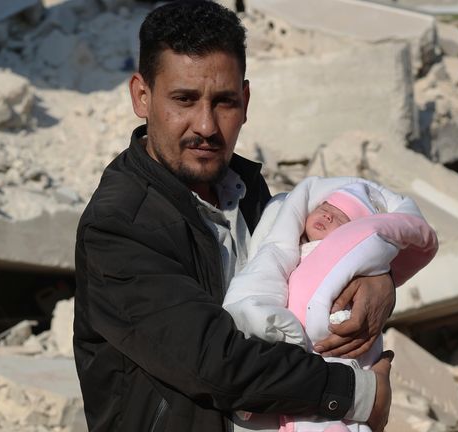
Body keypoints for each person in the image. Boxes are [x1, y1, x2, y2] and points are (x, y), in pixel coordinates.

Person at [73, 2, 397, 431]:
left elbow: (315, 262)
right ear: (142, 96)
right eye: (184, 100)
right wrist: (359, 394)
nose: (206, 125)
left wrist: (377, 278)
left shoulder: (249, 192)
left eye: (223, 102)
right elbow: (215, 362)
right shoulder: (119, 226)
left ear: (245, 101)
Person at [224, 179, 439, 432]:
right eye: (324, 207)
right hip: (296, 377)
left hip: (325, 365)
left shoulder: (250, 192)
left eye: (340, 217)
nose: (327, 215)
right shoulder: (288, 248)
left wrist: (382, 279)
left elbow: (336, 310)